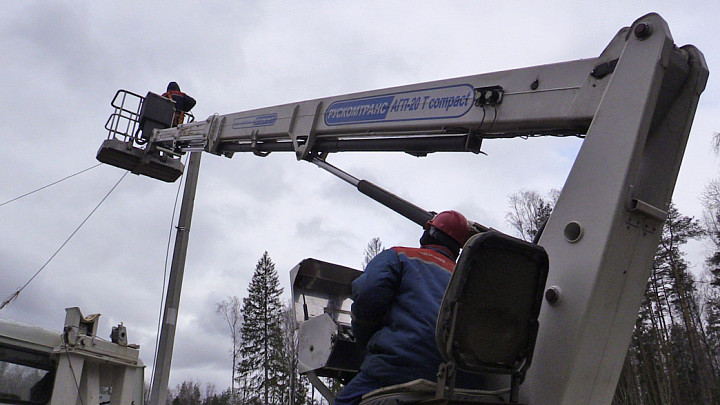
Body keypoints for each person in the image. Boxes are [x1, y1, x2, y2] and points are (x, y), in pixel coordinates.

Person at [334, 210, 475, 405]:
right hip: (459, 379)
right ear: (458, 247)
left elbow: (369, 293)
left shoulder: (399, 256)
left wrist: (365, 335)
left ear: (428, 231)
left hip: (399, 366)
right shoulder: (468, 281)